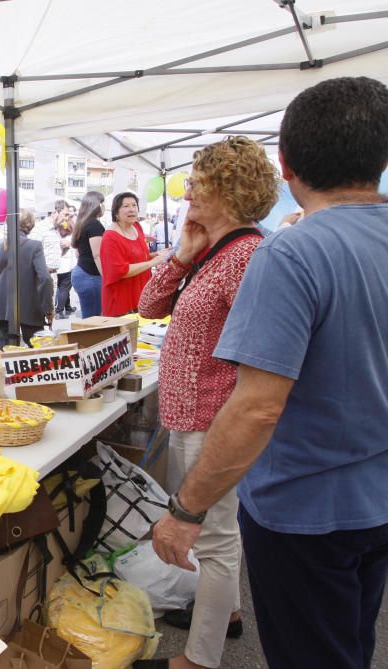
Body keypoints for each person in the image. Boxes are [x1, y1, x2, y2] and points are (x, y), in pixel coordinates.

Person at [151, 77, 388, 669]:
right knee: (350, 643)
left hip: (306, 507)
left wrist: (185, 511)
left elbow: (259, 405)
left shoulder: (291, 254)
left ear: (287, 165)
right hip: (373, 495)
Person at [134, 136, 279, 669]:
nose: (188, 188)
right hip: (192, 414)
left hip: (211, 418)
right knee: (218, 534)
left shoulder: (246, 255)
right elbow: (150, 306)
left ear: (229, 189)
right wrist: (181, 255)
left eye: (199, 181)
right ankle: (229, 614)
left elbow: (264, 351)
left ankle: (198, 659)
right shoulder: (215, 250)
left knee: (215, 540)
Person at [0, 210, 53, 349]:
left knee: (5, 355)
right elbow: (45, 278)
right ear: (30, 226)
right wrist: (48, 308)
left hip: (0, 306)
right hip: (30, 306)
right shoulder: (35, 246)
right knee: (37, 351)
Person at [100, 192, 168, 316]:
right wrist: (152, 262)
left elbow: (139, 257)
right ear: (116, 212)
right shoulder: (110, 236)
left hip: (140, 295)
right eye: (126, 206)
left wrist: (156, 254)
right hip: (120, 301)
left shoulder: (137, 226)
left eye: (134, 205)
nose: (132, 209)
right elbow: (120, 270)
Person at [69, 191, 106, 317]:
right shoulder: (95, 224)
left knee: (90, 318)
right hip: (90, 276)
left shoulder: (82, 223)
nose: (104, 206)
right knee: (93, 320)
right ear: (97, 205)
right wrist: (106, 278)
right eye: (102, 203)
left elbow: (78, 252)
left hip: (82, 272)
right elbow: (97, 255)